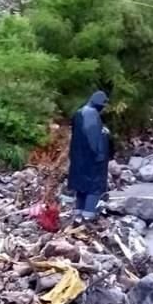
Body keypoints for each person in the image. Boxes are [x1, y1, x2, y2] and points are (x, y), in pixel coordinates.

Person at [68, 90, 111, 223]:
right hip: (91, 161)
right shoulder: (91, 114)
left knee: (81, 187)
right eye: (103, 104)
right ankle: (88, 215)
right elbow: (93, 138)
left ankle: (78, 214)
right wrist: (101, 153)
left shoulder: (80, 112)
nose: (103, 107)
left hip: (78, 158)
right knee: (94, 187)